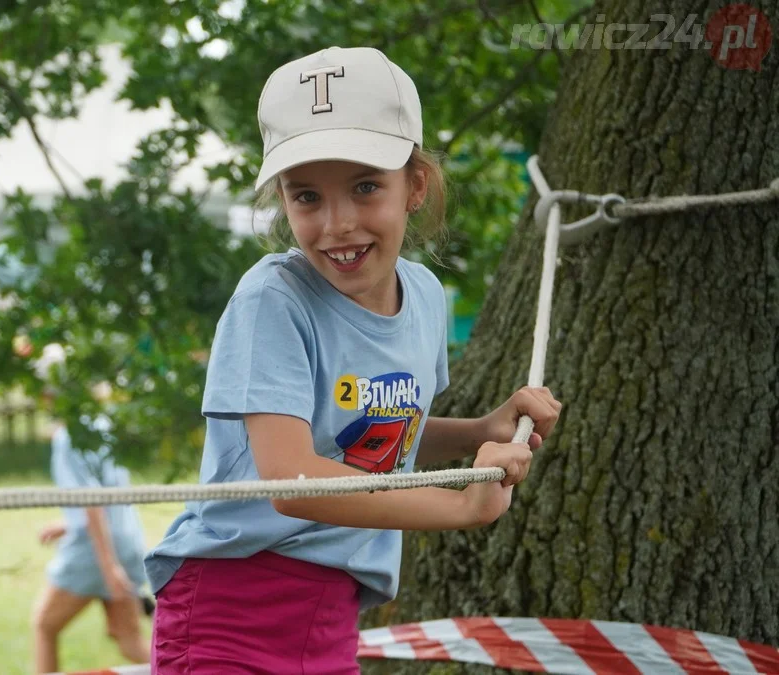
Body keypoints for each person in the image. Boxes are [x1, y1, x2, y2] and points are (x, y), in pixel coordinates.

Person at [144, 46, 563, 674]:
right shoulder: (272, 299)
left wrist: (478, 433)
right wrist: (458, 505)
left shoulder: (424, 297)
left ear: (415, 185)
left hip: (332, 612)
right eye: (306, 196)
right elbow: (291, 480)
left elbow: (375, 440)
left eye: (365, 187)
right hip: (229, 607)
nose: (337, 224)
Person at [28, 344, 150, 675]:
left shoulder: (68, 437)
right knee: (127, 639)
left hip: (98, 552)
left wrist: (108, 567)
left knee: (44, 625)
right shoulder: (100, 425)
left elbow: (93, 500)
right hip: (125, 540)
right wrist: (68, 522)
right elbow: (108, 494)